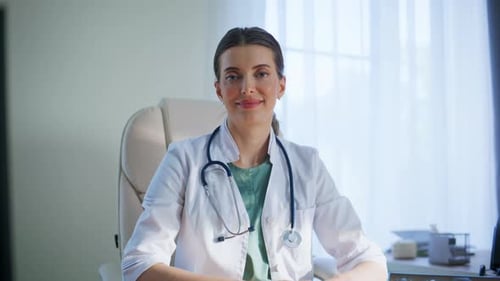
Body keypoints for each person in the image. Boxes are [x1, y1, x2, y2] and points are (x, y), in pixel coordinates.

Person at [122, 26, 388, 281]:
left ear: (281, 85)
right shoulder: (182, 159)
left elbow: (369, 260)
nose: (247, 87)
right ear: (219, 90)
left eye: (261, 73)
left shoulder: (307, 166)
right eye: (233, 76)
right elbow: (138, 264)